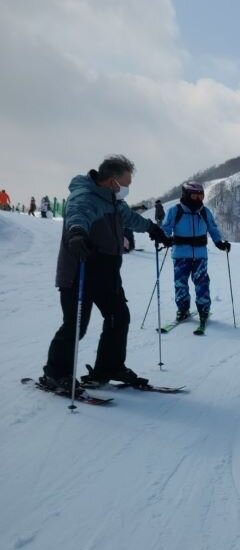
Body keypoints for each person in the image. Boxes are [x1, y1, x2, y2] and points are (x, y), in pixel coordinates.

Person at [40, 155, 171, 392]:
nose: (128, 189)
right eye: (126, 183)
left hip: (106, 272)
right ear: (112, 181)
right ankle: (55, 373)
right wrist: (77, 233)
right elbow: (77, 217)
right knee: (76, 325)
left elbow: (129, 218)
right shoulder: (85, 197)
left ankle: (109, 367)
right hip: (80, 269)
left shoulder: (112, 200)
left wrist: (153, 229)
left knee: (118, 317)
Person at [161, 182, 230, 323]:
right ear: (186, 195)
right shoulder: (175, 211)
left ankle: (203, 310)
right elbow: (166, 227)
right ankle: (183, 309)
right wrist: (164, 238)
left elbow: (213, 228)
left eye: (201, 196)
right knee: (181, 284)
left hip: (200, 255)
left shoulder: (204, 212)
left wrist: (219, 243)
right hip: (180, 255)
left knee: (202, 283)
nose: (198, 200)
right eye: (194, 196)